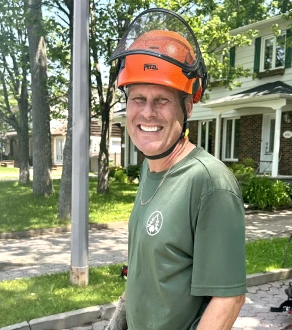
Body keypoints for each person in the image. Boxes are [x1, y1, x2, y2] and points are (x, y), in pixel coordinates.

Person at [105, 8, 247, 330]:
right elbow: (146, 268)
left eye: (163, 100)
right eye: (138, 98)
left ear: (188, 106)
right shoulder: (150, 168)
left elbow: (227, 299)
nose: (147, 113)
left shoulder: (209, 183)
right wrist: (120, 320)